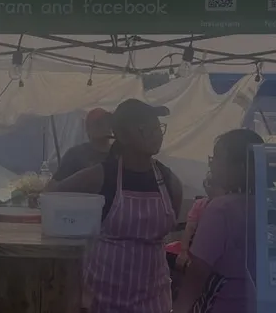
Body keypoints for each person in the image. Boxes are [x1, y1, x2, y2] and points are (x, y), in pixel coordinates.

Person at [47, 98, 183, 313]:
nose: (156, 134)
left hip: (153, 298)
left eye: (158, 128)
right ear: (122, 135)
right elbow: (52, 196)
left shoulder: (169, 182)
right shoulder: (100, 176)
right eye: (145, 128)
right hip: (101, 297)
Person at [173, 129, 264, 313]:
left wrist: (179, 309)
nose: (212, 164)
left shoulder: (221, 209)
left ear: (239, 167)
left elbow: (197, 273)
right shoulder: (269, 205)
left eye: (217, 158)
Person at [51, 108, 113, 183]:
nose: (105, 126)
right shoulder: (74, 155)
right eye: (99, 123)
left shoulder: (119, 154)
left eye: (108, 121)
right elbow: (54, 185)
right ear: (88, 129)